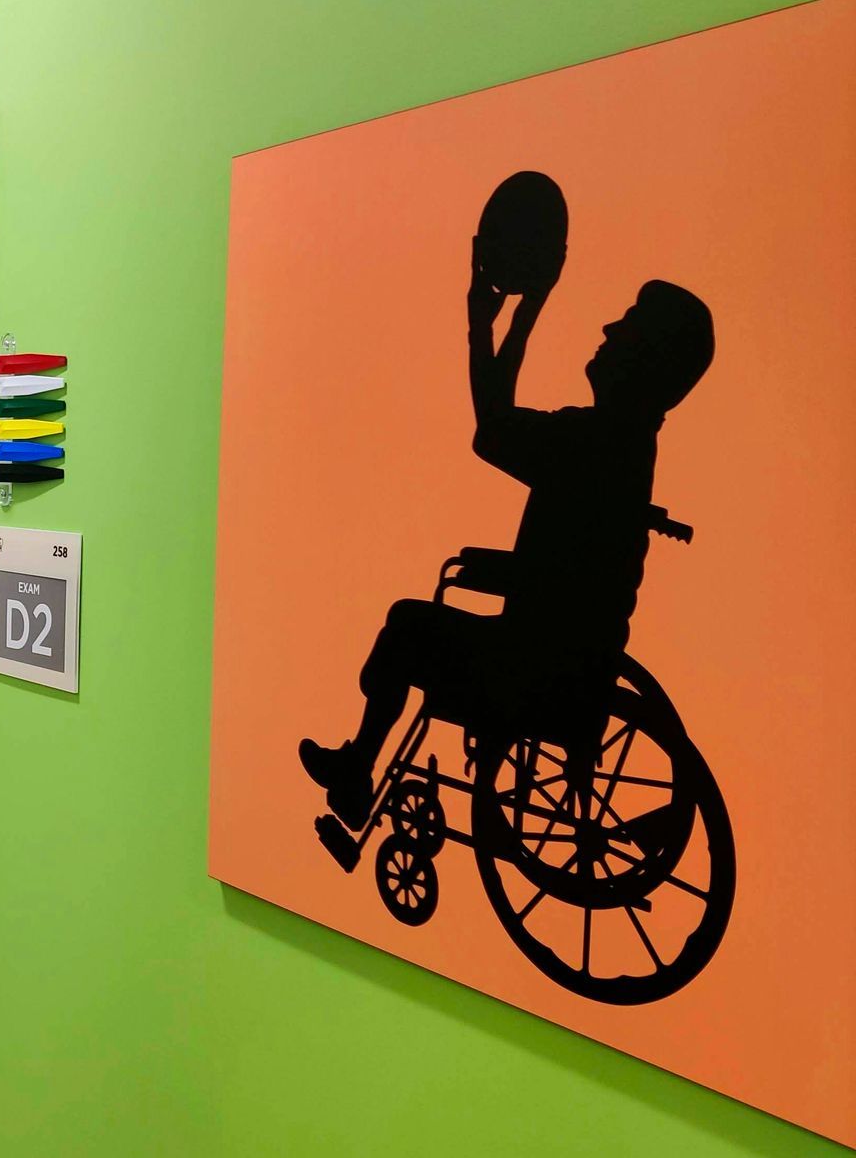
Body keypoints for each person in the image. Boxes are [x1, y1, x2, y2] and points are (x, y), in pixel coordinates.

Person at [299, 190, 715, 871]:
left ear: (644, 361)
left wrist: (497, 320)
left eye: (627, 326)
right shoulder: (627, 448)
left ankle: (357, 770)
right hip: (568, 659)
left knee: (409, 624)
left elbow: (490, 429)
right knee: (434, 606)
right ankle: (354, 767)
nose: (609, 328)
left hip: (532, 669)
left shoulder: (594, 442)